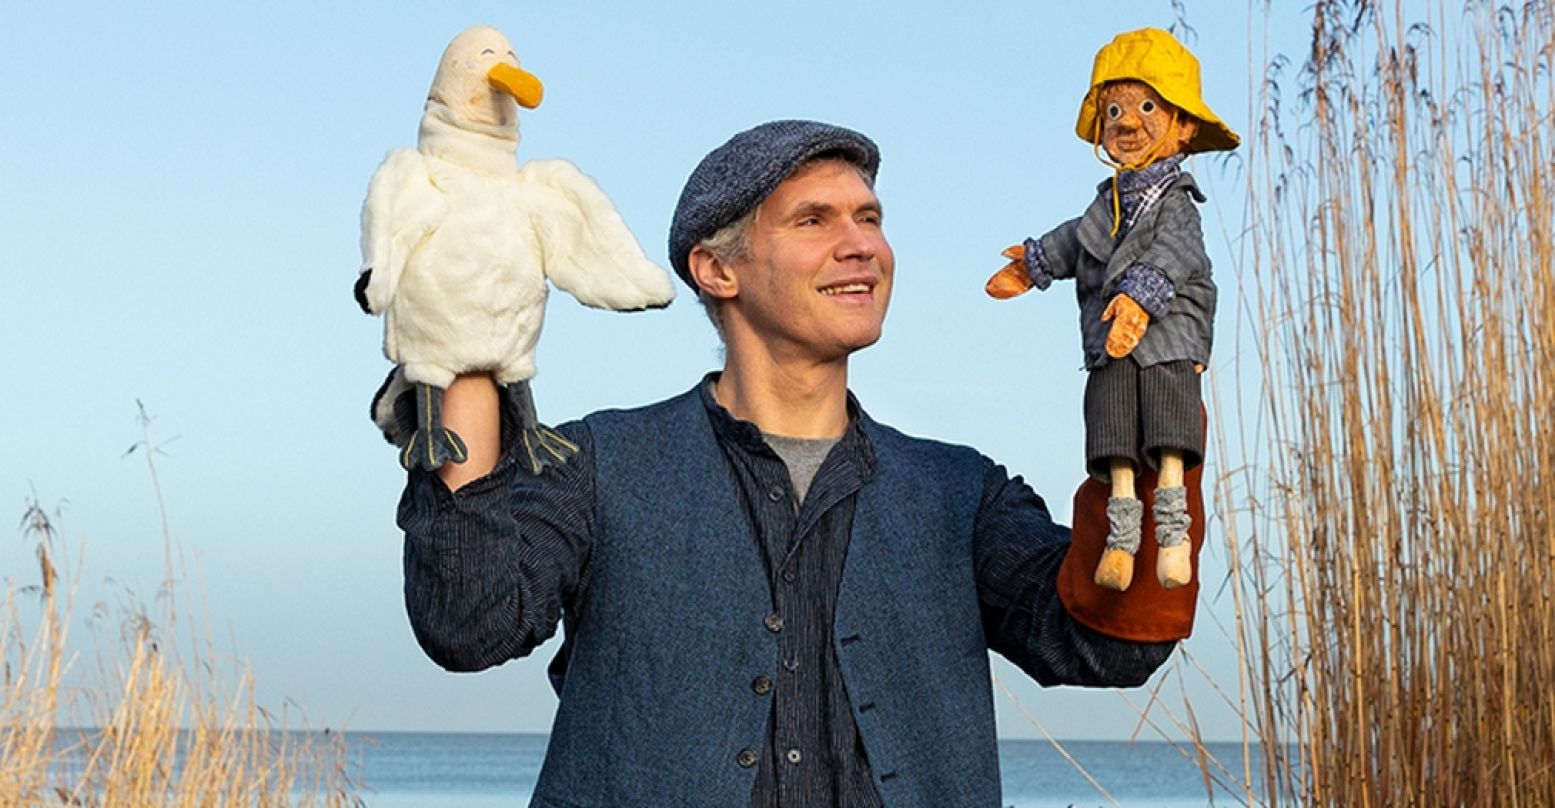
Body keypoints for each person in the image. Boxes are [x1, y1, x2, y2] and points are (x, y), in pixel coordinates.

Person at [396, 119, 1191, 808]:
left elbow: (1108, 643)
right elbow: (469, 623)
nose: (861, 245)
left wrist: (1158, 394)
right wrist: (465, 330)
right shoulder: (598, 465)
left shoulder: (960, 493)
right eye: (814, 220)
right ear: (717, 268)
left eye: (869, 218)